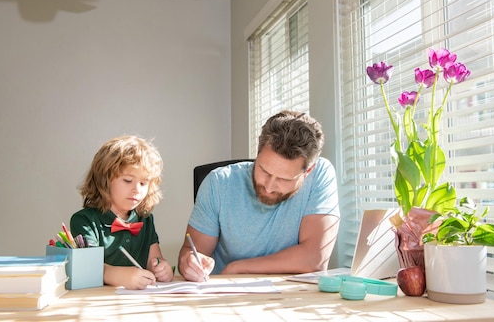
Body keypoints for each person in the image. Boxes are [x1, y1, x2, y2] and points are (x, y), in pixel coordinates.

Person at [178, 110, 340, 281]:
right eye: (264, 170)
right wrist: (187, 262)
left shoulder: (321, 174)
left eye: (284, 179)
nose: (269, 187)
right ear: (258, 148)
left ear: (308, 171)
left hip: (291, 295)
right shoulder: (218, 183)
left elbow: (315, 258)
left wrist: (238, 268)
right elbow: (191, 251)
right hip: (227, 293)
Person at [70, 135, 174, 289]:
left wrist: (162, 269)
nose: (136, 190)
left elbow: (155, 260)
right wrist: (119, 275)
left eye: (143, 183)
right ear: (104, 180)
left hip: (137, 303)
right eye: (127, 180)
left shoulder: (145, 219)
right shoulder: (84, 221)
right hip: (97, 302)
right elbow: (89, 268)